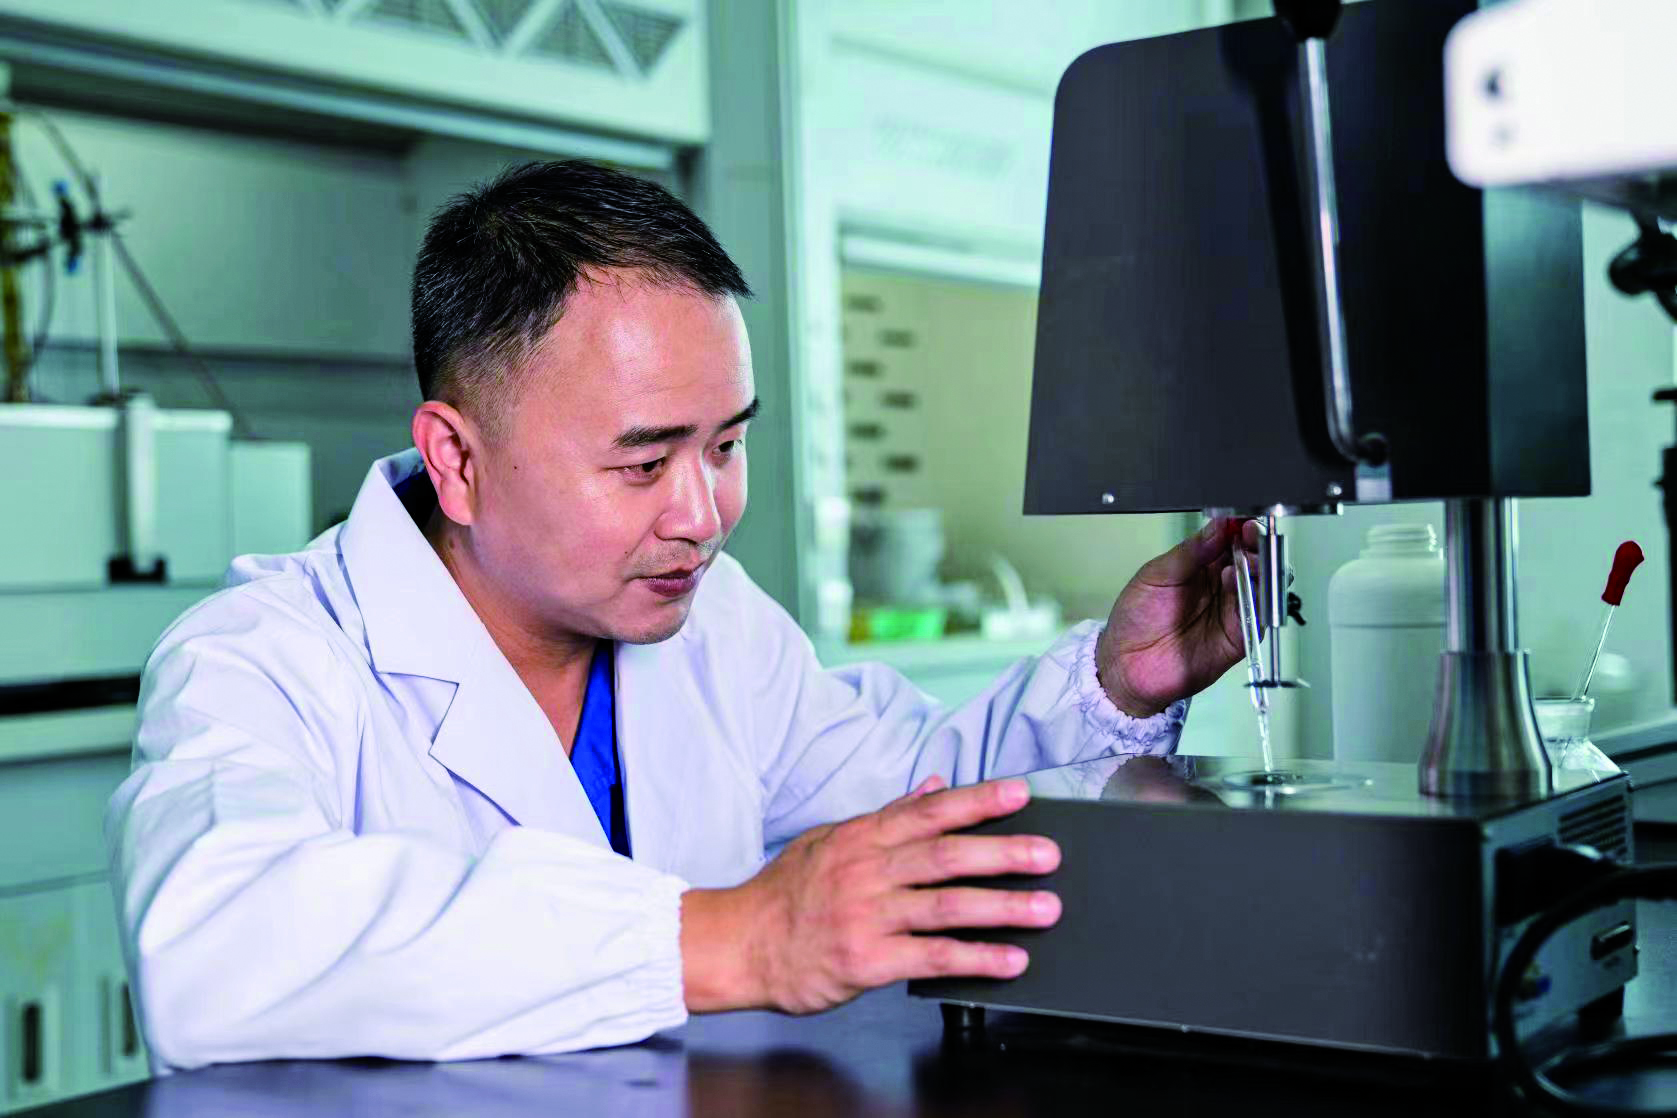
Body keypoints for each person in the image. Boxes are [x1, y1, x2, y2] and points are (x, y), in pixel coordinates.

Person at [105, 160, 1261, 1072]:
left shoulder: (712, 623)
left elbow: (912, 799)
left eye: (727, 444)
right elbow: (214, 940)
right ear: (456, 460)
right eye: (644, 461)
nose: (704, 515)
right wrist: (734, 936)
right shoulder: (265, 654)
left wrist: (1115, 684)